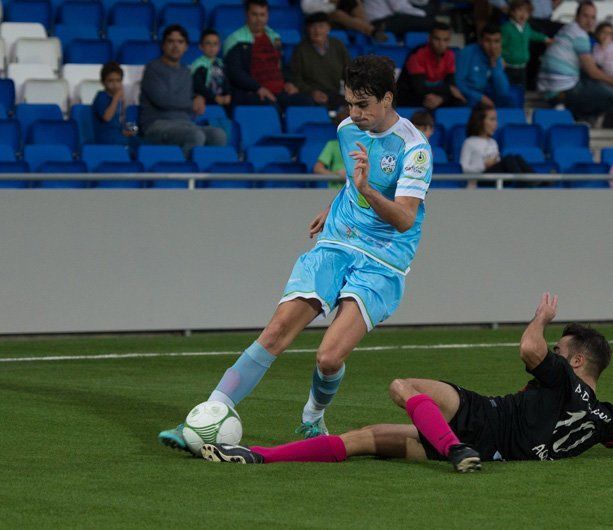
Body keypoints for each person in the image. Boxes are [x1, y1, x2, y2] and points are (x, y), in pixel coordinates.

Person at [158, 55, 434, 449]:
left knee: (328, 359)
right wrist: (335, 207)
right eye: (349, 103)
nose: (354, 114)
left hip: (383, 259)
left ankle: (313, 416)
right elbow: (353, 183)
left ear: (387, 99)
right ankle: (205, 418)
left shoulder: (415, 149)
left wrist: (368, 191)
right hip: (338, 241)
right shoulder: (348, 128)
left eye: (363, 105)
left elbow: (405, 218)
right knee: (275, 331)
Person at [198, 292, 613, 471]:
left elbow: (528, 349)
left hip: (481, 420)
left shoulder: (564, 380)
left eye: (562, 350)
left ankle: (452, 450)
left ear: (574, 360)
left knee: (404, 387)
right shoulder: (601, 416)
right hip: (498, 452)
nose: (554, 353)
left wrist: (541, 320)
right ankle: (260, 456)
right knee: (364, 439)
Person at [139, 25, 226, 155]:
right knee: (195, 135)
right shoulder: (152, 69)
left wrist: (198, 97)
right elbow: (163, 100)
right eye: (170, 41)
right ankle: (187, 173)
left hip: (184, 124)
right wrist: (192, 103)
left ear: (185, 47)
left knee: (219, 135)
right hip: (156, 125)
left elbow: (189, 97)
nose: (175, 46)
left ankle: (206, 174)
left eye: (180, 42)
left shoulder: (186, 71)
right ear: (163, 45)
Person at [537, 1, 613, 126]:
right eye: (585, 16)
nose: (589, 21)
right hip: (560, 89)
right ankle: (583, 117)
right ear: (576, 16)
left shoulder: (568, 29)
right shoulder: (579, 35)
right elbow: (593, 72)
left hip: (546, 87)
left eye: (593, 17)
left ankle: (573, 112)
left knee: (598, 78)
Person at [223, 0, 312, 108]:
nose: (259, 19)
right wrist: (257, 88)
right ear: (246, 15)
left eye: (262, 15)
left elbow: (282, 65)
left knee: (307, 102)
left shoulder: (274, 37)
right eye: (254, 14)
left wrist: (289, 82)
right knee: (270, 106)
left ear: (267, 16)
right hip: (251, 91)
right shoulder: (235, 40)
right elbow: (235, 73)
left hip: (279, 91)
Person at [396, 22, 466, 109]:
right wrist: (449, 89)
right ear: (429, 38)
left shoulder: (450, 55)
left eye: (445, 40)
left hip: (436, 94)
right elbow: (419, 88)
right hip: (412, 94)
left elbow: (450, 82)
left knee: (460, 102)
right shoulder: (417, 55)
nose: (441, 44)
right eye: (437, 39)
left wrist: (441, 98)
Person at [290, 12, 350, 108]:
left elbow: (349, 72)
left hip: (334, 93)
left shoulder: (338, 45)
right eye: (313, 27)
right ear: (308, 29)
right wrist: (312, 92)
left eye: (321, 26)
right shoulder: (300, 49)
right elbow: (296, 78)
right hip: (310, 94)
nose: (317, 30)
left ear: (328, 28)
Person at [460, 103, 534, 179]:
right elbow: (463, 168)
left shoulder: (493, 142)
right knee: (508, 159)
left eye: (496, 120)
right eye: (492, 119)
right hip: (481, 177)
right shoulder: (469, 142)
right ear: (480, 121)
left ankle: (536, 180)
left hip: (496, 176)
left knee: (517, 157)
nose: (496, 124)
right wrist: (484, 165)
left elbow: (497, 163)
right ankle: (522, 182)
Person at [456, 24, 513, 108]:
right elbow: (458, 83)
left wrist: (494, 64)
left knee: (510, 100)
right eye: (488, 41)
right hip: (468, 95)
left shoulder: (497, 56)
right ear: (481, 40)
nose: (492, 46)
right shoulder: (466, 53)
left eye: (496, 41)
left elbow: (503, 91)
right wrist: (479, 97)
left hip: (487, 94)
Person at [501, 0, 552, 87]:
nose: (523, 14)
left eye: (527, 12)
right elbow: (500, 45)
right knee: (507, 89)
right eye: (520, 10)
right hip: (508, 67)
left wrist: (545, 39)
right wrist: (501, 59)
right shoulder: (506, 28)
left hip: (522, 66)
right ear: (512, 12)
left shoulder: (526, 27)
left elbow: (533, 34)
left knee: (521, 89)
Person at [92, 61, 136, 146]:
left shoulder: (122, 100)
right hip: (107, 137)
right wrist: (116, 98)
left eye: (118, 80)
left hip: (120, 135)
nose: (115, 84)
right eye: (111, 81)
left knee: (140, 142)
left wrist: (133, 131)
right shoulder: (101, 96)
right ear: (103, 82)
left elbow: (126, 120)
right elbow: (107, 117)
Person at [191, 29, 232, 109]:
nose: (212, 47)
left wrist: (228, 94)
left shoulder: (221, 63)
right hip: (205, 101)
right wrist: (214, 97)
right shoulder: (198, 65)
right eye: (208, 43)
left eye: (215, 44)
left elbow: (226, 81)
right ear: (201, 46)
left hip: (221, 100)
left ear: (219, 47)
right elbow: (199, 87)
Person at [300, 0, 377, 39]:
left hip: (335, 11)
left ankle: (364, 27)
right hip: (319, 16)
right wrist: (331, 4)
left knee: (355, 2)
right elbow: (306, 8)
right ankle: (370, 30)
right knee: (339, 14)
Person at [313, 106, 349, 188]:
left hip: (359, 194)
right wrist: (335, 175)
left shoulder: (365, 145)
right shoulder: (332, 144)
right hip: (336, 193)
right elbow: (318, 168)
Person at [362, 0, 435, 39]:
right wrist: (422, 15)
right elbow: (399, 7)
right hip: (379, 22)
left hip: (386, 19)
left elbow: (422, 1)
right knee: (426, 22)